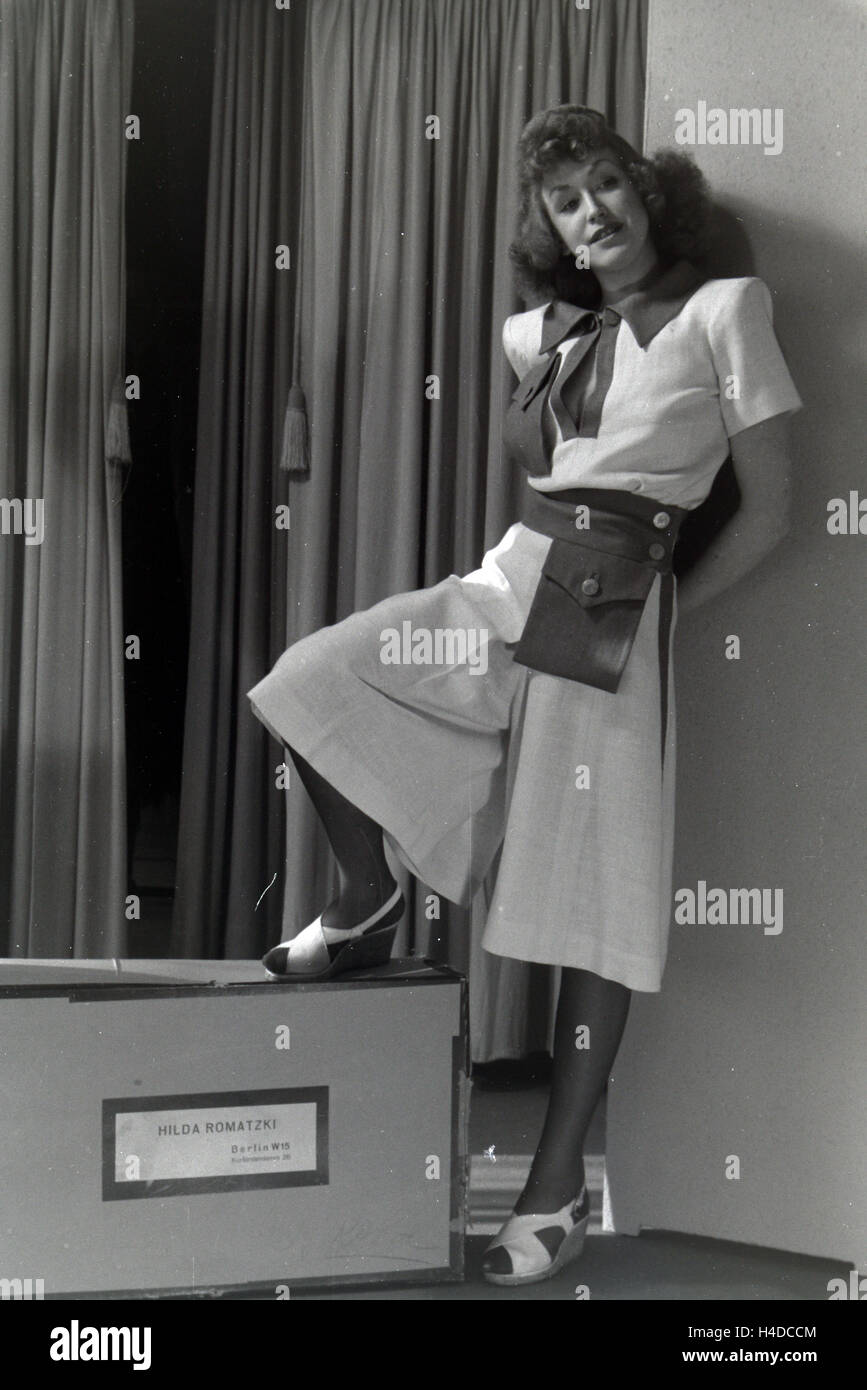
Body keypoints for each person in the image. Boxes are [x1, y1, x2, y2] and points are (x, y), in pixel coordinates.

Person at [247, 104, 802, 1287]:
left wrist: (657, 621)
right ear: (545, 222)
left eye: (608, 184)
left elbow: (771, 510)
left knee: (580, 903)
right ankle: (365, 898)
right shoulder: (532, 334)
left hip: (615, 610)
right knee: (312, 679)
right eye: (565, 198)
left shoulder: (723, 312)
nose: (590, 211)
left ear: (652, 195)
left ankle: (556, 1191)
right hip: (508, 582)